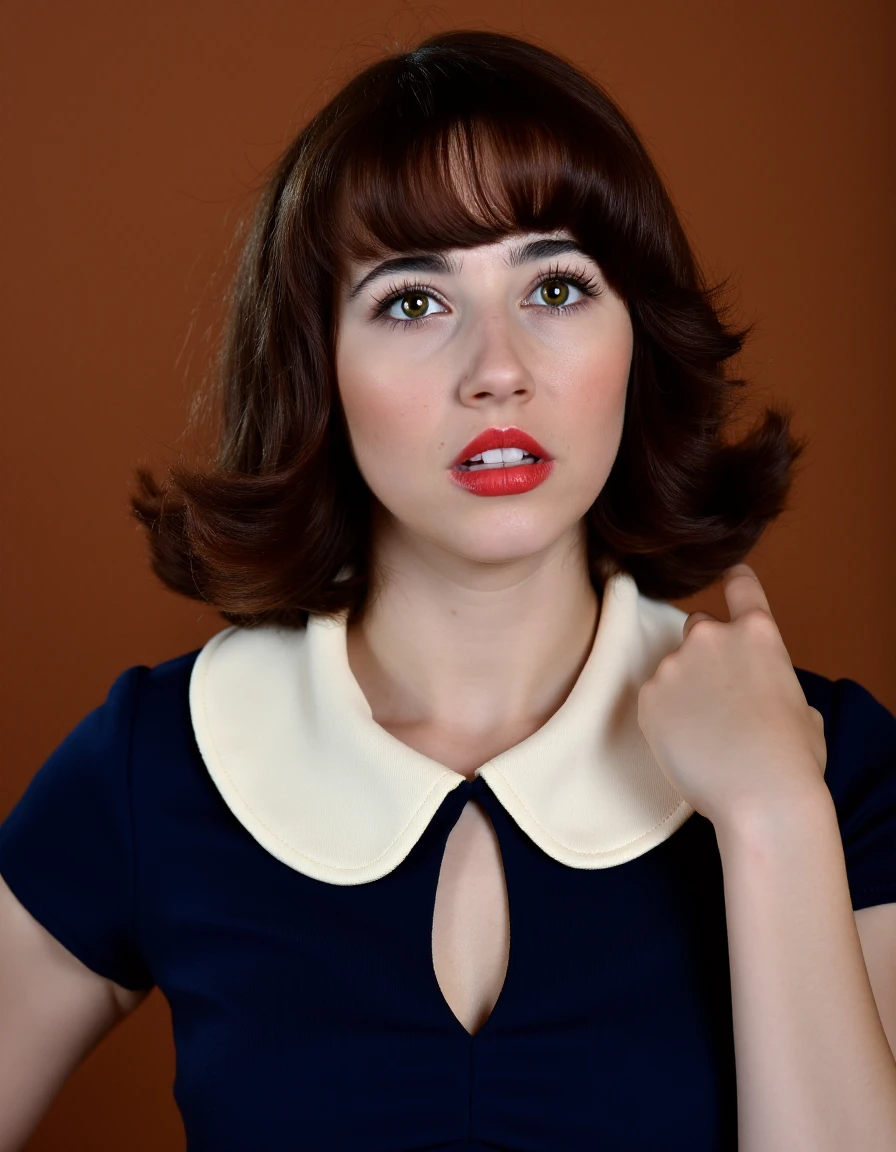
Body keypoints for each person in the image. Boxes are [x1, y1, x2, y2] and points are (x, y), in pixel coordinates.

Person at [2, 28, 895, 1152]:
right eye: (413, 303)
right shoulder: (158, 764)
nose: (497, 368)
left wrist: (771, 817)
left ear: (639, 339)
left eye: (557, 286)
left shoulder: (839, 773)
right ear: (315, 366)